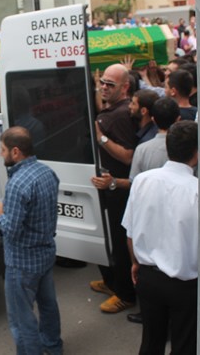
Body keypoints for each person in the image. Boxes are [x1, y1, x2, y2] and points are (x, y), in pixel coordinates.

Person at [122, 120, 199, 355]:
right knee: (184, 345)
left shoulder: (143, 180)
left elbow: (130, 230)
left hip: (148, 276)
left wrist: (135, 262)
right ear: (197, 152)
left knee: (151, 342)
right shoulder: (198, 190)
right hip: (185, 285)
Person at [0, 127, 63, 355]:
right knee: (48, 305)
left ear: (15, 152)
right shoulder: (47, 172)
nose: (1, 153)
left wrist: (0, 213)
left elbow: (11, 230)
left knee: (21, 320)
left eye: (3, 149)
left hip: (22, 263)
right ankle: (53, 347)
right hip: (45, 254)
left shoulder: (17, 184)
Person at [89, 63, 138, 313]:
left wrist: (101, 137)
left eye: (110, 84)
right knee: (108, 239)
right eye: (102, 82)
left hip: (119, 190)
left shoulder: (120, 115)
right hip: (107, 188)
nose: (104, 87)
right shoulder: (113, 110)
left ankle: (125, 294)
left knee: (119, 243)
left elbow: (128, 156)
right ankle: (113, 283)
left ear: (125, 87)